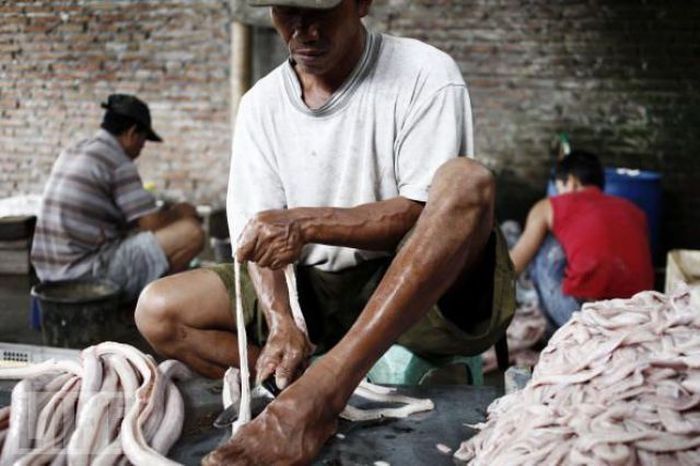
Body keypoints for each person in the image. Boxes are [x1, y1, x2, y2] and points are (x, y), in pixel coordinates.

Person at [135, 0, 515, 463]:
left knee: (466, 181)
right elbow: (257, 229)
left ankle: (320, 395)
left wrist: (307, 222)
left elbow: (423, 213)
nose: (303, 32)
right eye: (286, 12)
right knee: (158, 310)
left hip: (417, 283)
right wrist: (280, 320)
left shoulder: (425, 73)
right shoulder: (261, 105)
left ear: (361, 3)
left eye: (319, 13)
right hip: (314, 285)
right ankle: (301, 383)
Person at [31, 94, 204, 302]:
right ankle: (147, 307)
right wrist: (180, 212)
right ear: (132, 133)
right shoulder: (117, 160)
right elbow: (150, 222)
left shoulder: (74, 150)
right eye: (143, 140)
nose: (142, 148)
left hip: (48, 272)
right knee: (191, 232)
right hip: (85, 272)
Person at [509, 150, 654, 330]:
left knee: (544, 245)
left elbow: (512, 267)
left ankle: (554, 335)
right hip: (639, 314)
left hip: (585, 318)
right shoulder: (634, 211)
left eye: (558, 187)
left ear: (570, 182)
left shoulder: (549, 206)